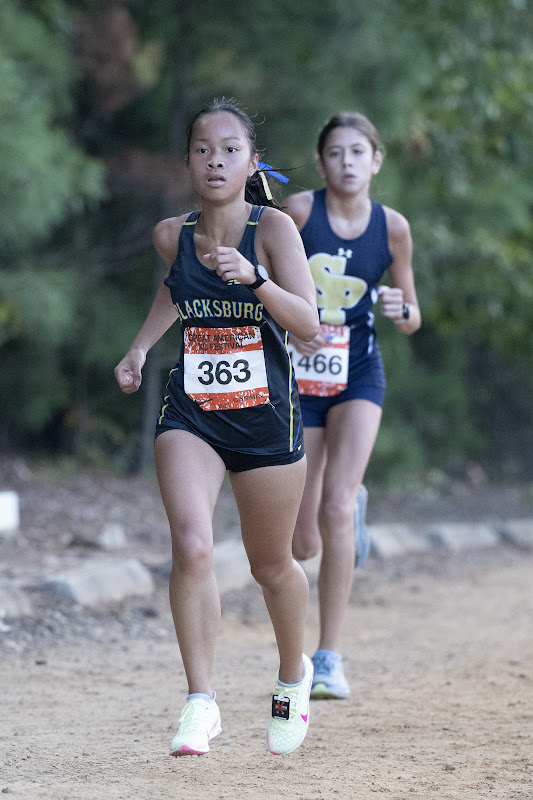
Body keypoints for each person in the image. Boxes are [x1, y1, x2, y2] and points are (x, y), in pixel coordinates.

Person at [114, 99, 320, 756]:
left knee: (271, 566)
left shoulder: (273, 230)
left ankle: (293, 676)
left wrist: (254, 279)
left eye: (229, 149)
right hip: (193, 413)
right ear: (188, 162)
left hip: (264, 418)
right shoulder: (170, 233)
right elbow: (175, 291)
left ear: (251, 162)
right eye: (203, 149)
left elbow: (308, 325)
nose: (215, 160)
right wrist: (141, 347)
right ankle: (199, 702)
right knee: (193, 546)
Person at [284, 112, 421, 699]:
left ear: (376, 160)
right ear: (321, 162)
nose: (347, 162)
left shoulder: (392, 228)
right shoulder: (298, 215)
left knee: (333, 510)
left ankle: (329, 657)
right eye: (336, 153)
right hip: (300, 377)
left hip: (358, 374)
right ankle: (351, 506)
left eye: (358, 152)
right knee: (302, 542)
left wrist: (401, 311)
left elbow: (412, 315)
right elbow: (262, 284)